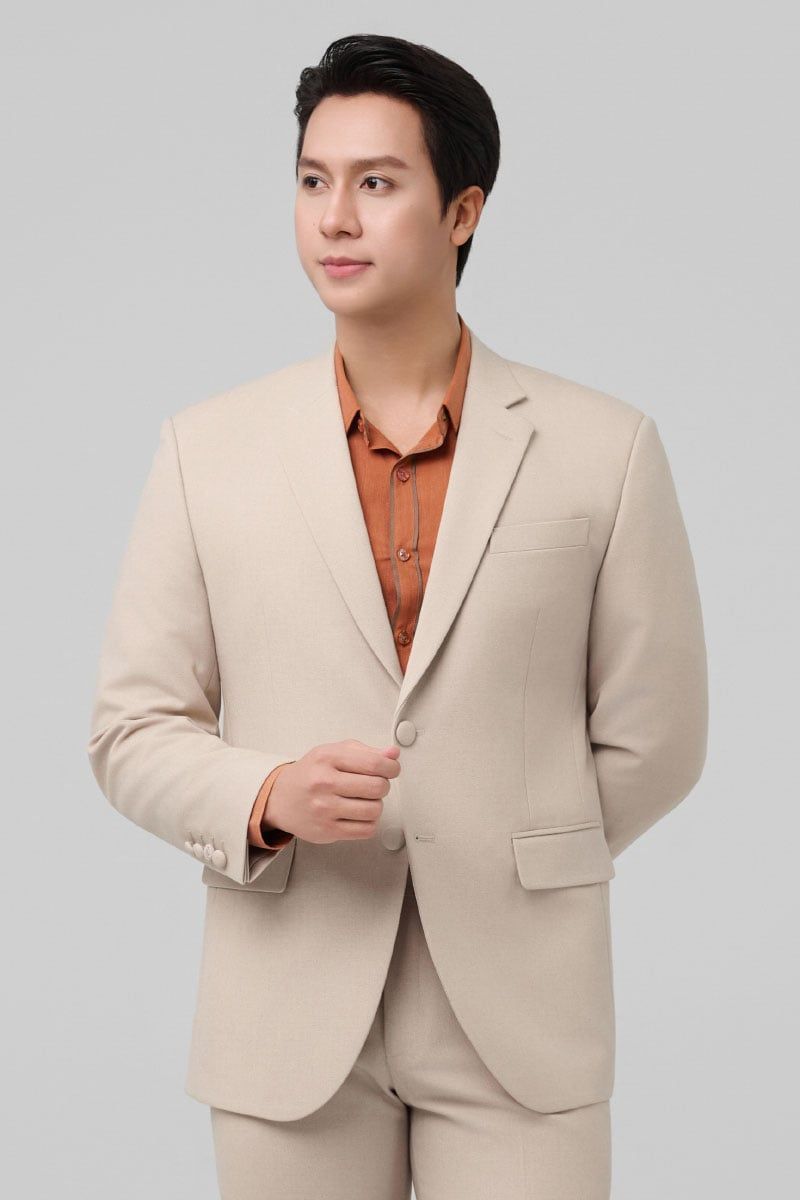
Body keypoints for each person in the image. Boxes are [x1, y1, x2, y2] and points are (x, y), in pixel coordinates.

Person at [87, 32, 708, 1200]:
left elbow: (656, 736)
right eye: (312, 180)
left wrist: (504, 847)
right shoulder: (205, 452)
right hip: (287, 1004)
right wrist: (266, 797)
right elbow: (131, 729)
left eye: (375, 183)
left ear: (462, 211)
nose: (334, 218)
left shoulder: (603, 449)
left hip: (521, 1017)